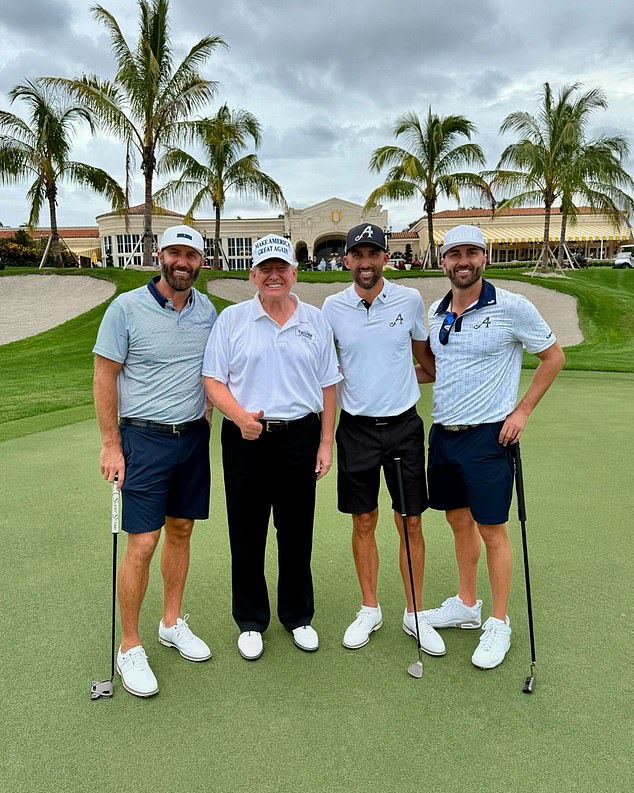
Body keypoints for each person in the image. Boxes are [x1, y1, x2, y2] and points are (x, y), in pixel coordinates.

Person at [422, 224, 565, 669]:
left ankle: (498, 622)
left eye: (472, 253)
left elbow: (553, 356)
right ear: (443, 261)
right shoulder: (436, 311)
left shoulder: (512, 306)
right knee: (457, 521)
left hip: (488, 437)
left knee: (492, 530)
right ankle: (467, 604)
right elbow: (434, 367)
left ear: (484, 258)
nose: (462, 261)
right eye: (454, 254)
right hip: (443, 434)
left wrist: (520, 412)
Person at [203, 234, 341, 661]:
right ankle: (250, 620)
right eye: (266, 269)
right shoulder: (232, 320)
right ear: (253, 275)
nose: (274, 275)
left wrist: (326, 443)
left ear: (295, 273)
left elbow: (328, 384)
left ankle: (298, 616)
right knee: (246, 532)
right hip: (245, 437)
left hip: (300, 436)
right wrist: (240, 418)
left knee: (296, 531)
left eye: (282, 268)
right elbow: (212, 379)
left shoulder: (315, 320)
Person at [93, 224, 217, 697]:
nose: (182, 262)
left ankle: (171, 623)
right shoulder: (125, 309)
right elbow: (105, 377)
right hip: (142, 440)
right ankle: (129, 646)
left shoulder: (207, 310)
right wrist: (110, 444)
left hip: (192, 439)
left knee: (181, 531)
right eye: (174, 253)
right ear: (159, 255)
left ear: (202, 262)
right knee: (143, 542)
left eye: (191, 255)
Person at [322, 223, 444, 655]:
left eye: (375, 254)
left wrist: (398, 381)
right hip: (356, 429)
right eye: (360, 255)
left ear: (385, 259)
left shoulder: (409, 300)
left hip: (404, 427)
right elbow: (323, 370)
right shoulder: (332, 308)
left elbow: (426, 363)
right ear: (348, 261)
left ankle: (414, 612)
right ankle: (370, 607)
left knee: (411, 520)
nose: (367, 263)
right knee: (364, 520)